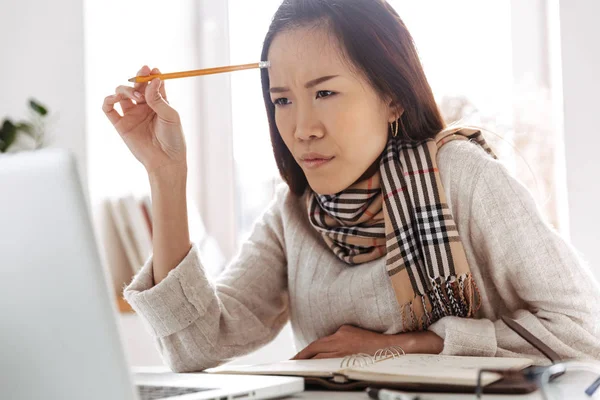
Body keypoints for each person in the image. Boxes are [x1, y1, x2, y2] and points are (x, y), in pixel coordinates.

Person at [102, 0, 600, 373]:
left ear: (392, 98)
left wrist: (407, 345)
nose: (302, 128)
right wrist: (167, 175)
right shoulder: (291, 215)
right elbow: (195, 346)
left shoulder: (462, 177)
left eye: (324, 92)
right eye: (282, 100)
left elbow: (584, 336)